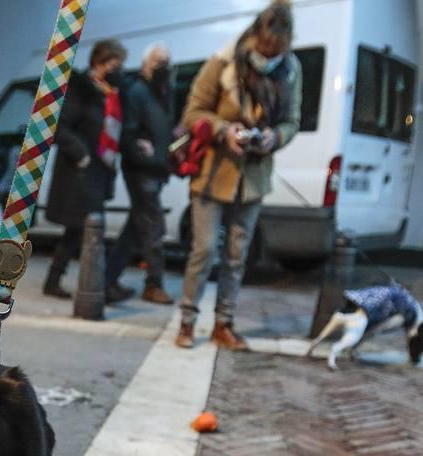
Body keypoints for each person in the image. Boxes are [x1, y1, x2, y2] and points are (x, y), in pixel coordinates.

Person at [174, 0, 302, 350]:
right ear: (254, 36)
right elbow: (193, 113)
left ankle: (224, 324)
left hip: (253, 178)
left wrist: (275, 137)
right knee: (203, 251)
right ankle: (187, 322)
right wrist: (223, 130)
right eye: (262, 50)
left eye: (274, 52)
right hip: (214, 172)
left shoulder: (291, 69)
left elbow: (292, 121)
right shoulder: (223, 62)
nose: (267, 57)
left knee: (236, 255)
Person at [43, 39, 127, 301]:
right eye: (114, 65)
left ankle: (61, 280)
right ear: (99, 63)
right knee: (85, 229)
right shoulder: (81, 89)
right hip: (79, 172)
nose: (118, 70)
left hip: (98, 172)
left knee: (80, 230)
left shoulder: (109, 92)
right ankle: (98, 285)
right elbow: (60, 127)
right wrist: (82, 155)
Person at [106, 42, 175, 306]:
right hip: (142, 171)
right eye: (158, 62)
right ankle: (153, 284)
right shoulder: (136, 92)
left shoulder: (161, 90)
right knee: (154, 225)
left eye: (166, 61)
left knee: (136, 227)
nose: (164, 67)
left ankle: (107, 280)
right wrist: (145, 152)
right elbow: (129, 135)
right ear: (146, 64)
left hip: (156, 169)